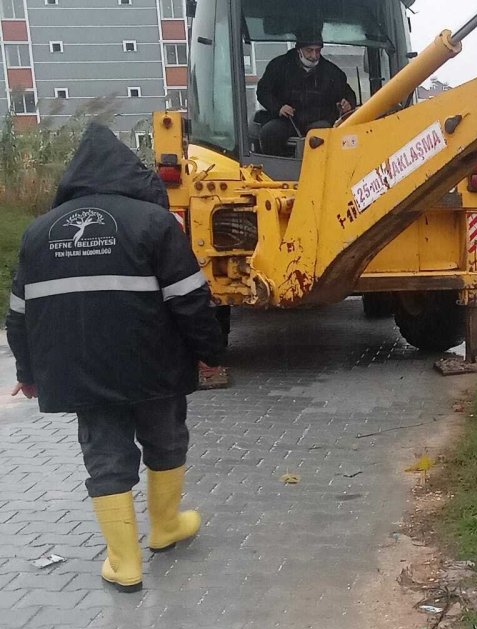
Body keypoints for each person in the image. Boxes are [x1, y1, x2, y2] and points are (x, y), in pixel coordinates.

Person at [6, 123, 227, 592]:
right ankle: (165, 527)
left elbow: (19, 314)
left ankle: (123, 562)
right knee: (166, 441)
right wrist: (210, 353)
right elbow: (189, 299)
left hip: (81, 371)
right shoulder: (154, 224)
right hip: (154, 363)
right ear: (130, 174)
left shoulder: (39, 232)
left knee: (105, 457)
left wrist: (28, 372)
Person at [256, 34, 358, 156]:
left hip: (319, 120)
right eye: (309, 51)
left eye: (318, 51)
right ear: (299, 49)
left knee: (323, 135)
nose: (314, 56)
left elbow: (348, 93)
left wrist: (348, 103)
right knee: (269, 133)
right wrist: (279, 107)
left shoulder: (332, 72)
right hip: (287, 120)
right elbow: (263, 91)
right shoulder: (279, 66)